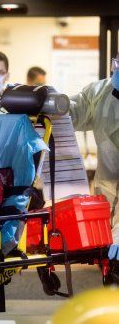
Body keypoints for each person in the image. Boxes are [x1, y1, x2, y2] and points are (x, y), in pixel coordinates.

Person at [69, 54, 119, 260]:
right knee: (108, 266)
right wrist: (49, 101)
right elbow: (73, 112)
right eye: (117, 63)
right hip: (106, 196)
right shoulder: (100, 93)